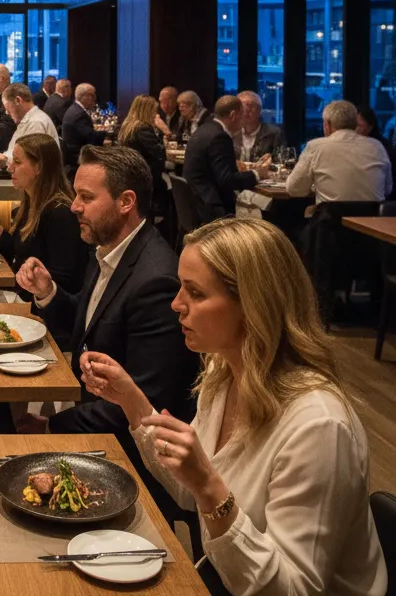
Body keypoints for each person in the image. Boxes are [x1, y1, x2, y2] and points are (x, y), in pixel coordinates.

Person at [80, 217, 387, 596]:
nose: (176, 304)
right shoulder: (224, 371)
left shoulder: (320, 427)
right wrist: (132, 400)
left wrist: (209, 487)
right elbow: (188, 491)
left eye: (195, 293)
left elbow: (294, 589)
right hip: (226, 576)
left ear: (253, 306)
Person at [15, 145, 199, 457]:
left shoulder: (156, 283)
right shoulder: (108, 247)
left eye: (86, 197)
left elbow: (141, 404)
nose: (74, 207)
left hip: (128, 452)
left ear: (126, 202)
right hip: (93, 418)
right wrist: (48, 293)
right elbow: (92, 326)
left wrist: (51, 426)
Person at [0, 134, 88, 340]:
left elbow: (63, 282)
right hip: (22, 300)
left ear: (39, 167)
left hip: (42, 318)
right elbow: (16, 253)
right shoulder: (31, 203)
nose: (10, 168)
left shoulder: (60, 213)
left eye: (17, 162)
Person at [286, 99, 391, 203]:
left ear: (327, 125)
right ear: (355, 124)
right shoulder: (377, 146)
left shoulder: (315, 146)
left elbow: (294, 189)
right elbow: (387, 189)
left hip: (330, 214)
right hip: (372, 214)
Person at [183, 96, 269, 223]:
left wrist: (232, 165)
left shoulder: (205, 129)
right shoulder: (220, 137)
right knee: (261, 215)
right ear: (234, 115)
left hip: (195, 203)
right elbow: (227, 180)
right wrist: (258, 174)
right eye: (242, 115)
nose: (243, 121)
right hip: (212, 209)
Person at [0, 82, 59, 168]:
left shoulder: (36, 122)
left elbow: (30, 159)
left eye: (7, 107)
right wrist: (1, 157)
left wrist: (3, 158)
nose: (7, 112)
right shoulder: (28, 119)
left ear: (18, 100)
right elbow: (15, 152)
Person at [117, 94, 168, 216]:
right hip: (146, 179)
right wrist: (165, 131)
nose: (155, 114)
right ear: (147, 111)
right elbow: (160, 154)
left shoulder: (127, 126)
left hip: (131, 176)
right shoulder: (143, 129)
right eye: (154, 111)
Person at [60, 83, 111, 172]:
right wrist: (108, 134)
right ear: (82, 96)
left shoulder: (75, 108)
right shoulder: (79, 114)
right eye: (92, 95)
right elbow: (90, 136)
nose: (94, 98)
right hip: (77, 156)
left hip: (74, 152)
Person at [357, 104, 396, 197]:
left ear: (370, 127)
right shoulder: (345, 146)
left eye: (358, 126)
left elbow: (389, 187)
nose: (354, 130)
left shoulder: (381, 147)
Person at [234, 91, 285, 162]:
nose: (245, 111)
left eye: (250, 106)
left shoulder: (274, 133)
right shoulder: (232, 132)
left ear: (260, 111)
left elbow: (281, 161)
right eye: (241, 107)